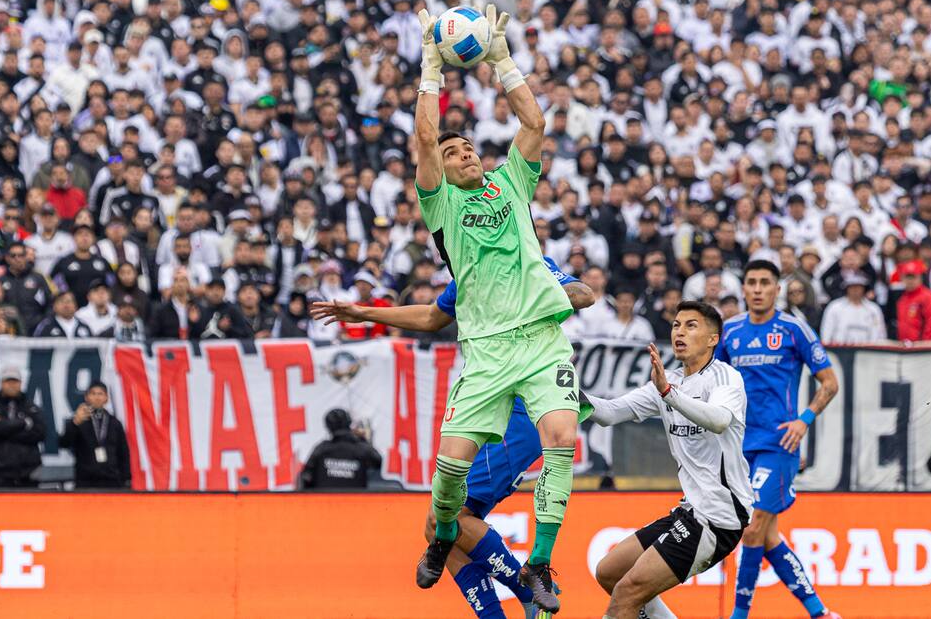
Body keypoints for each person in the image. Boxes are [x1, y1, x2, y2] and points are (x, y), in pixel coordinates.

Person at [310, 255, 593, 619]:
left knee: (445, 521)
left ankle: (528, 586)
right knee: (439, 528)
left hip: (520, 409)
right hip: (490, 404)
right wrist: (365, 313)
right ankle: (501, 609)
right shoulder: (469, 269)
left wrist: (529, 290)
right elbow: (431, 316)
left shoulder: (526, 259)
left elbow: (583, 294)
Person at [412, 4, 578, 611]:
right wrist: (431, 67)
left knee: (561, 439)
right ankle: (446, 536)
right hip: (484, 349)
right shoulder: (443, 209)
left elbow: (533, 122)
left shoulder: (510, 184)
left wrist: (504, 62)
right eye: (454, 154)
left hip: (540, 339)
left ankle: (537, 566)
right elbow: (426, 137)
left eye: (469, 150)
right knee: (449, 475)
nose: (465, 156)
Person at [587, 302, 750, 619]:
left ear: (713, 338)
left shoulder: (726, 378)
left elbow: (717, 421)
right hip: (691, 510)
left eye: (691, 325)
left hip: (719, 516)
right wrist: (566, 390)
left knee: (627, 592)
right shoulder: (667, 380)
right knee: (610, 572)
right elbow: (608, 413)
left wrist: (668, 394)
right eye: (676, 325)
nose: (680, 331)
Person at [715, 260, 841, 619]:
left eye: (764, 283)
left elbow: (830, 383)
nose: (757, 289)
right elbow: (714, 382)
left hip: (778, 444)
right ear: (743, 289)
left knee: (753, 529)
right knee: (768, 537)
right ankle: (819, 612)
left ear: (776, 289)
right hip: (738, 447)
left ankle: (739, 616)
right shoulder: (730, 332)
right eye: (751, 282)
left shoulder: (793, 329)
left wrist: (803, 421)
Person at [0, 364, 46, 488]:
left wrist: (5, 429)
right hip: (0, 473)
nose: (12, 385)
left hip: (28, 473)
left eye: (15, 381)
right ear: (1, 383)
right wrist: (22, 423)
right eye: (8, 381)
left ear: (21, 383)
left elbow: (40, 433)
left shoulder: (30, 406)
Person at [59, 382, 131, 489]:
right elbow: (63, 443)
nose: (97, 397)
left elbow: (123, 453)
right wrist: (74, 423)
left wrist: (126, 479)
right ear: (86, 397)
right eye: (93, 394)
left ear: (106, 398)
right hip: (85, 480)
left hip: (111, 481)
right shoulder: (79, 421)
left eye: (100, 394)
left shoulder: (114, 423)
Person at [297, 409, 382, 490]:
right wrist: (362, 439)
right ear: (349, 424)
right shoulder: (361, 449)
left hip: (324, 502)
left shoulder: (321, 449)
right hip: (355, 502)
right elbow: (378, 462)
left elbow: (305, 477)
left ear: (328, 427)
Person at [818, 272, 886, 344]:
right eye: (852, 286)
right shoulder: (834, 307)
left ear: (864, 288)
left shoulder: (874, 309)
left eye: (858, 286)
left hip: (868, 352)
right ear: (846, 288)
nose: (855, 289)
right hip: (839, 352)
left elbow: (880, 335)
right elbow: (826, 333)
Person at [895, 260, 931, 342]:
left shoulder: (928, 297)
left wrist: (925, 346)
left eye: (913, 277)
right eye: (907, 277)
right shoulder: (902, 299)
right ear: (902, 278)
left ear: (920, 278)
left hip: (921, 348)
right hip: (906, 348)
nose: (910, 281)